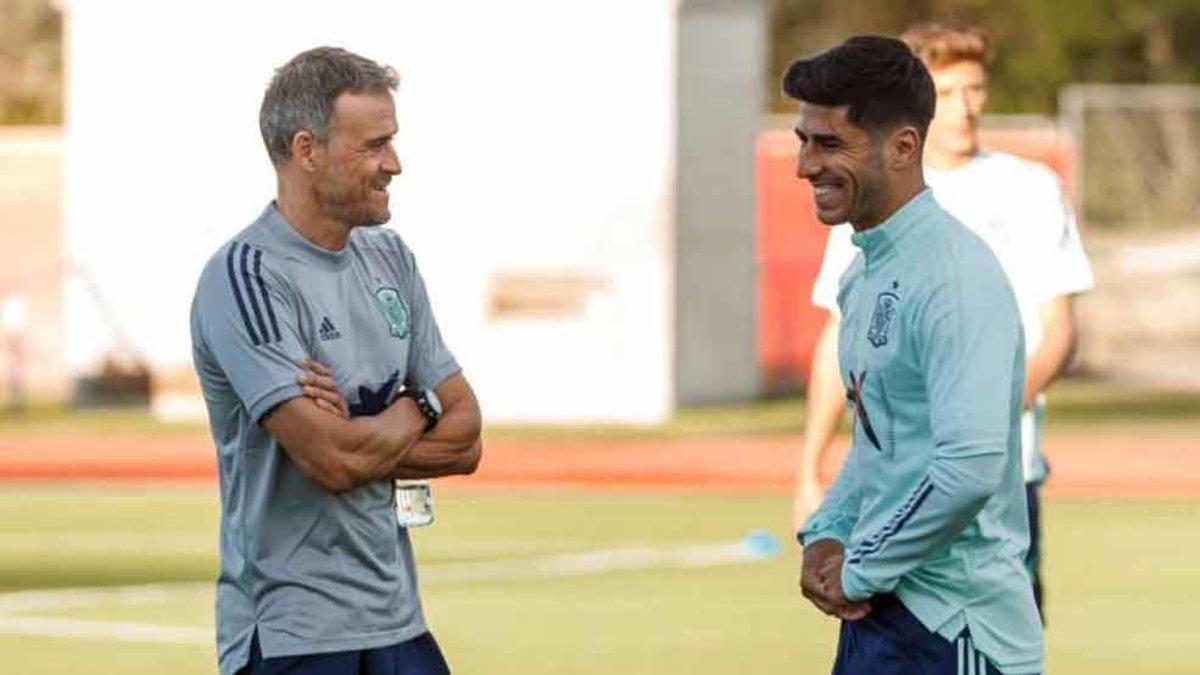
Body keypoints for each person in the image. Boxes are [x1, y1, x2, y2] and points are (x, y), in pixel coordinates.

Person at [190, 46, 482, 675]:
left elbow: (466, 440)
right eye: (374, 146)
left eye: (392, 142)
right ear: (307, 150)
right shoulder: (246, 277)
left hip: (398, 623)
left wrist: (391, 418)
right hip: (294, 636)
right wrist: (416, 408)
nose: (394, 164)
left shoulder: (391, 259)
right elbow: (333, 460)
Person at [792, 23, 1094, 617]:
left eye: (974, 90)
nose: (804, 166)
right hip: (890, 540)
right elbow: (862, 387)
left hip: (977, 521)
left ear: (904, 141)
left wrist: (969, 419)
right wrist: (822, 503)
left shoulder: (1014, 203)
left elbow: (972, 459)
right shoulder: (864, 242)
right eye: (948, 91)